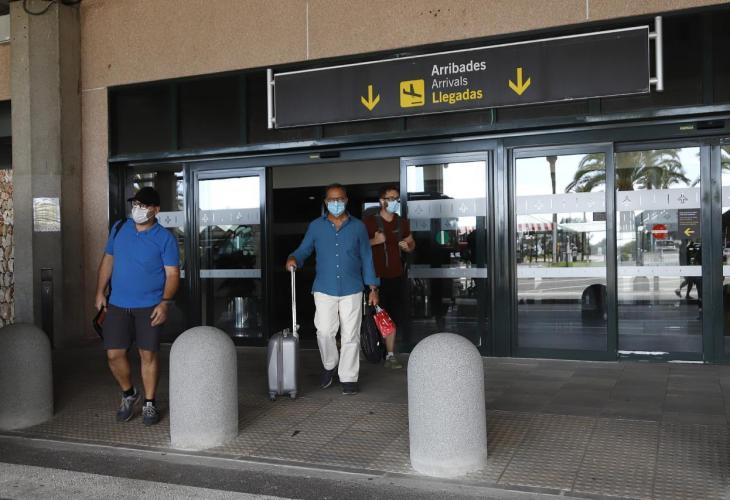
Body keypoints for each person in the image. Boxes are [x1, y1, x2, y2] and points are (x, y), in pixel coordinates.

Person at [95, 187, 180, 425]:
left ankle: (150, 403)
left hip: (149, 306)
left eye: (143, 205)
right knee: (114, 354)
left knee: (147, 354)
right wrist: (99, 291)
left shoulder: (165, 238)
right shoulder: (119, 228)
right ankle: (129, 393)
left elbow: (173, 274)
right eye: (135, 204)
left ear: (156, 210)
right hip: (118, 304)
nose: (137, 209)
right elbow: (108, 260)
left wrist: (165, 303)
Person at [286, 183, 379, 395]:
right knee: (324, 332)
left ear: (346, 200)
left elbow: (367, 257)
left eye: (340, 199)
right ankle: (330, 365)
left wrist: (373, 287)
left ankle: (348, 377)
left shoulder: (358, 227)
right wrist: (293, 258)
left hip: (352, 288)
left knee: (350, 335)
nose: (336, 203)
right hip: (324, 288)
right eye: (331, 200)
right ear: (326, 202)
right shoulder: (316, 226)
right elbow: (303, 250)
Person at [363, 185, 415, 369]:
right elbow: (357, 246)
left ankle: (390, 355)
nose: (394, 202)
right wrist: (375, 241)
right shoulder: (369, 223)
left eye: (396, 199)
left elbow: (411, 242)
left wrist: (408, 247)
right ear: (381, 201)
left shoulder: (402, 223)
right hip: (374, 278)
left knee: (391, 316)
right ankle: (372, 349)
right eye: (390, 198)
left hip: (396, 276)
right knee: (375, 315)